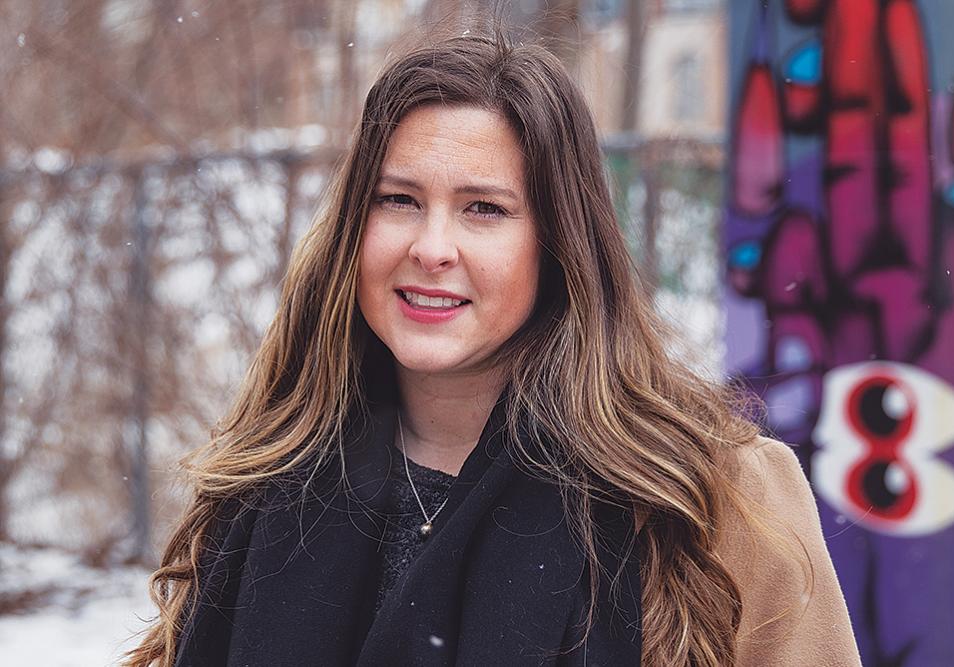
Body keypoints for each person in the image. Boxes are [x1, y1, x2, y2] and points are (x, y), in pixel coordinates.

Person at [126, 33, 862, 667]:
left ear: (559, 243)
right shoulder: (267, 473)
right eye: (398, 199)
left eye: (485, 208)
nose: (431, 248)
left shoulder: (711, 494)